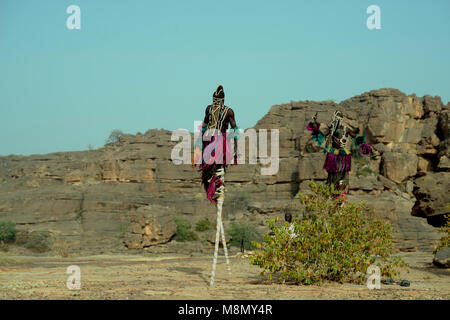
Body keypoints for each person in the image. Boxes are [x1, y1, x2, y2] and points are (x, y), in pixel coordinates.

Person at [306, 110, 372, 195]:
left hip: (343, 153)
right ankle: (333, 190)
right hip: (333, 153)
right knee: (332, 175)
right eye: (335, 118)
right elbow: (321, 135)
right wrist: (315, 124)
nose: (336, 120)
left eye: (338, 119)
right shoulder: (331, 130)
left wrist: (362, 143)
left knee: (343, 175)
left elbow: (355, 137)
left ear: (340, 120)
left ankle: (341, 192)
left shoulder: (345, 129)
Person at [194, 85, 239, 203]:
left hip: (219, 141)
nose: (216, 104)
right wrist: (199, 144)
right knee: (208, 168)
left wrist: (235, 149)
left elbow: (235, 130)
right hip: (210, 139)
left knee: (216, 165)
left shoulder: (228, 111)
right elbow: (204, 126)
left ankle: (217, 184)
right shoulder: (209, 109)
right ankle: (214, 186)